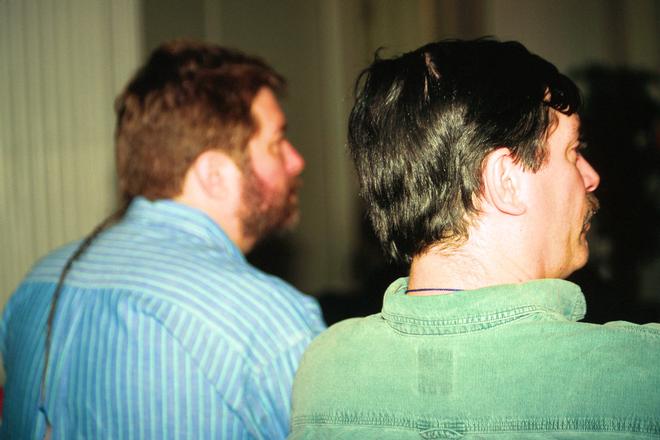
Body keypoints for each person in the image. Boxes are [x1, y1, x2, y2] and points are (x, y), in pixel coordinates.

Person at [289, 38, 660, 438]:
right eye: (572, 152)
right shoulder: (640, 375)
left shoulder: (323, 372)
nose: (591, 176)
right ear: (506, 181)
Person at [0, 40, 325, 439]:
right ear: (214, 175)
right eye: (276, 143)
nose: (296, 160)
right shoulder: (268, 320)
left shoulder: (37, 283)